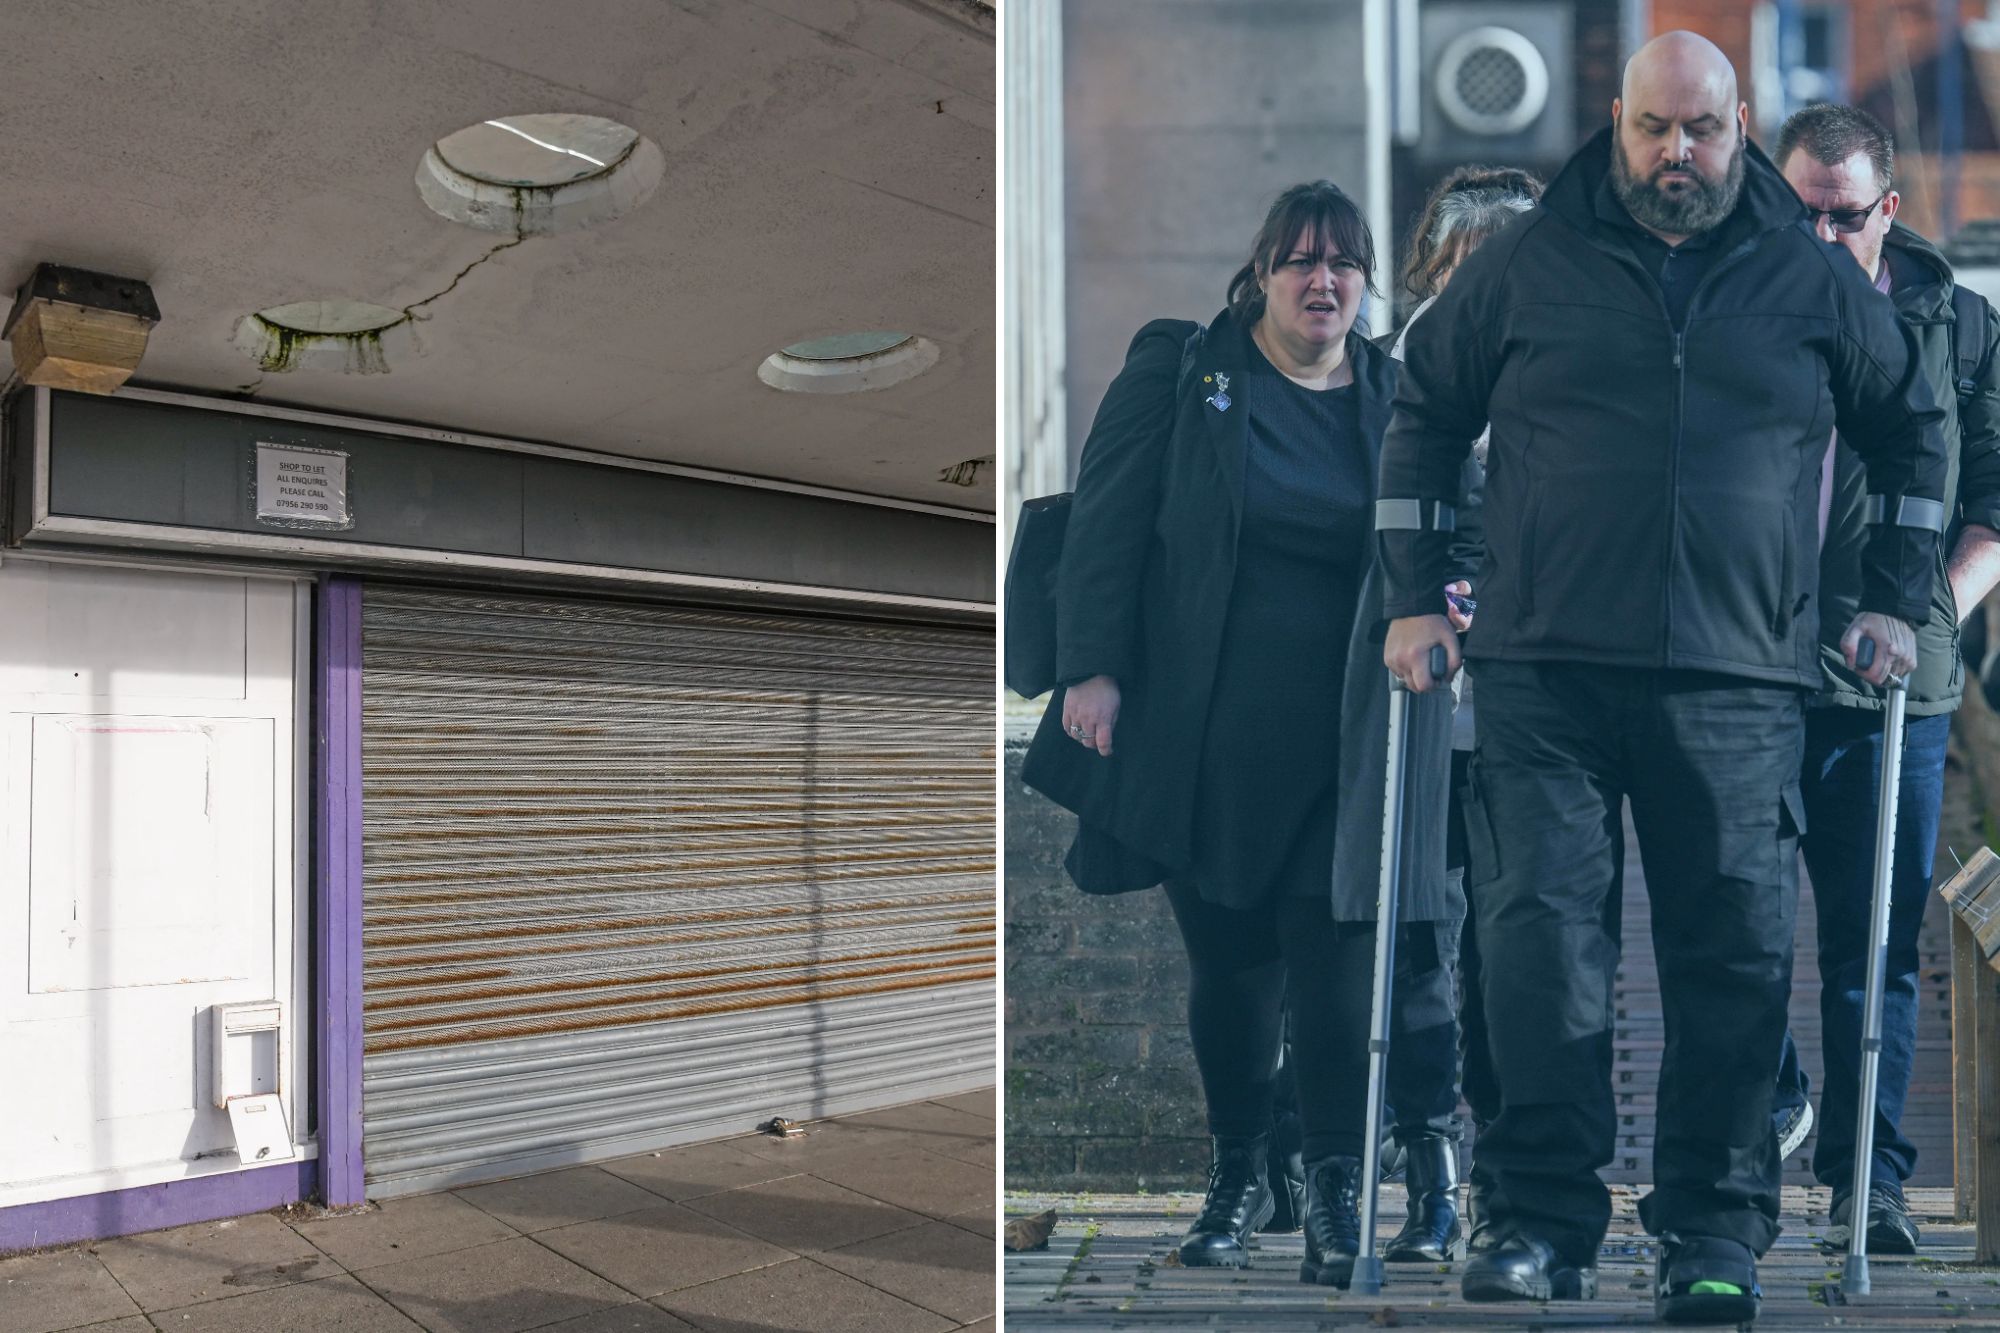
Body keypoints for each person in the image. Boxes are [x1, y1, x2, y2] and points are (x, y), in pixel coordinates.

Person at [1377, 31, 1948, 1324]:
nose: (1673, 152)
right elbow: (1423, 412)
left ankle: (1714, 1232)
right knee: (1536, 952)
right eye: (1651, 127)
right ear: (1617, 122)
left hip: (1737, 676)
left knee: (1732, 961)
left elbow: (1912, 430)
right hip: (1543, 668)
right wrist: (1414, 595)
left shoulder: (1807, 276)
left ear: (1737, 126)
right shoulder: (1527, 260)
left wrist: (1892, 598)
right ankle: (1535, 1220)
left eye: (1697, 127)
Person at [1021, 180, 1471, 1285]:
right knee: (1230, 967)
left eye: (1343, 264)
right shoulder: (1185, 371)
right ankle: (1237, 1175)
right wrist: (1090, 668)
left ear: (1365, 284)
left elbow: (1455, 529)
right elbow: (1107, 520)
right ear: (1260, 273)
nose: (1323, 281)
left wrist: (1458, 593)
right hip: (1207, 735)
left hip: (1350, 738)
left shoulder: (1399, 397)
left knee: (1336, 969)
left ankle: (1333, 1192)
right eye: (1300, 261)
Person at [1765, 102, 2000, 1253]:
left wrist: (1925, 605)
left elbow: (1992, 493)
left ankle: (1869, 1178)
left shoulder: (1956, 325)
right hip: (1746, 674)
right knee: (1731, 936)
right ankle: (1760, 1122)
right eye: (1795, 215)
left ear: (1887, 210)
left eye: (1841, 217)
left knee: (1872, 947)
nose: (1818, 239)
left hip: (1891, 687)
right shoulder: (1729, 308)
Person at [1383, 162, 1544, 1255]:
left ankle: (1499, 1167)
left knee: (1508, 950)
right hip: (1412, 711)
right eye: (1461, 271)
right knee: (1411, 939)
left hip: (1526, 718)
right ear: (1433, 276)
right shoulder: (1390, 379)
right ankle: (1427, 1165)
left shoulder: (1565, 379)